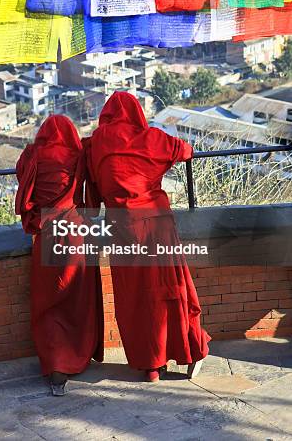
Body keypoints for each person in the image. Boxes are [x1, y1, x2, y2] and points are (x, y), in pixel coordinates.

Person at [83, 91, 210, 383]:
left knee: (135, 300)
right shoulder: (150, 139)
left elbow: (93, 200)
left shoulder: (96, 145)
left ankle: (150, 365)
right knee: (172, 291)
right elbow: (184, 150)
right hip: (156, 228)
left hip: (122, 231)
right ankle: (190, 351)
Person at [15, 115, 104, 395]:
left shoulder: (33, 155)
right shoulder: (79, 154)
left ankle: (56, 367)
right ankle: (78, 356)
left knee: (49, 304)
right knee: (79, 301)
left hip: (48, 233)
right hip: (76, 231)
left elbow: (23, 180)